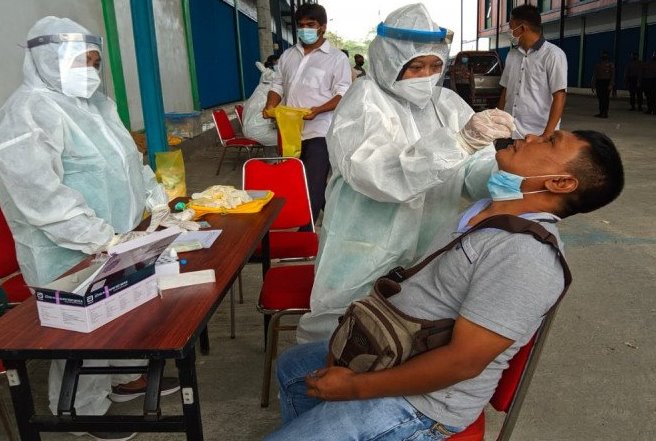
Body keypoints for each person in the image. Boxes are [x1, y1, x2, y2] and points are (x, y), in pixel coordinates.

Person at [265, 128, 625, 440]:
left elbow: (462, 363)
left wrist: (354, 388)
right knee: (294, 365)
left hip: (426, 404)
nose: (531, 136)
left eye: (549, 142)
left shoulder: (525, 256)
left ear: (560, 183)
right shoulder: (488, 209)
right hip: (395, 346)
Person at [0, 17, 185, 441]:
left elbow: (130, 163)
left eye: (95, 62)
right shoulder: (27, 112)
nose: (91, 71)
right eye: (80, 61)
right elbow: (41, 197)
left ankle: (122, 379)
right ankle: (82, 413)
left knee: (120, 315)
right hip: (63, 250)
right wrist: (102, 238)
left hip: (117, 238)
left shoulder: (98, 105)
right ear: (48, 59)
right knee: (80, 330)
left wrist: (158, 205)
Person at [296, 3, 514, 343]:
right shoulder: (364, 99)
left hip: (429, 244)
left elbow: (472, 172)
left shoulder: (448, 104)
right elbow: (376, 173)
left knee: (406, 334)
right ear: (389, 60)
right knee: (344, 329)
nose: (426, 76)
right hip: (365, 244)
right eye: (415, 66)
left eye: (435, 66)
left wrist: (509, 174)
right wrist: (458, 143)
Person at [263, 3, 352, 222]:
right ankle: (330, 216)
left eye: (310, 25)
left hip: (320, 131)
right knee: (295, 180)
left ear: (323, 27)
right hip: (290, 131)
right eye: (301, 25)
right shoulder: (288, 55)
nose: (305, 30)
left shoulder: (336, 58)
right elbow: (277, 85)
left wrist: (318, 110)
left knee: (313, 183)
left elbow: (343, 93)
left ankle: (306, 231)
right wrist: (270, 106)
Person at [497, 4, 567, 141]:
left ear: (523, 28)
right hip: (508, 131)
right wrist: (497, 121)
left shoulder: (553, 55)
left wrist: (546, 135)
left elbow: (560, 96)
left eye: (511, 27)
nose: (510, 32)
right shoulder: (512, 55)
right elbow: (505, 90)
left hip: (536, 134)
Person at [591, 51, 614, 118]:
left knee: (605, 98)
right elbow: (595, 75)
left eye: (605, 55)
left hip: (607, 82)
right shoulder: (598, 64)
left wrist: (611, 84)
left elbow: (613, 75)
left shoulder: (610, 65)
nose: (604, 56)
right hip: (599, 82)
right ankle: (601, 112)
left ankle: (605, 113)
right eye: (603, 55)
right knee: (600, 98)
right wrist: (593, 84)